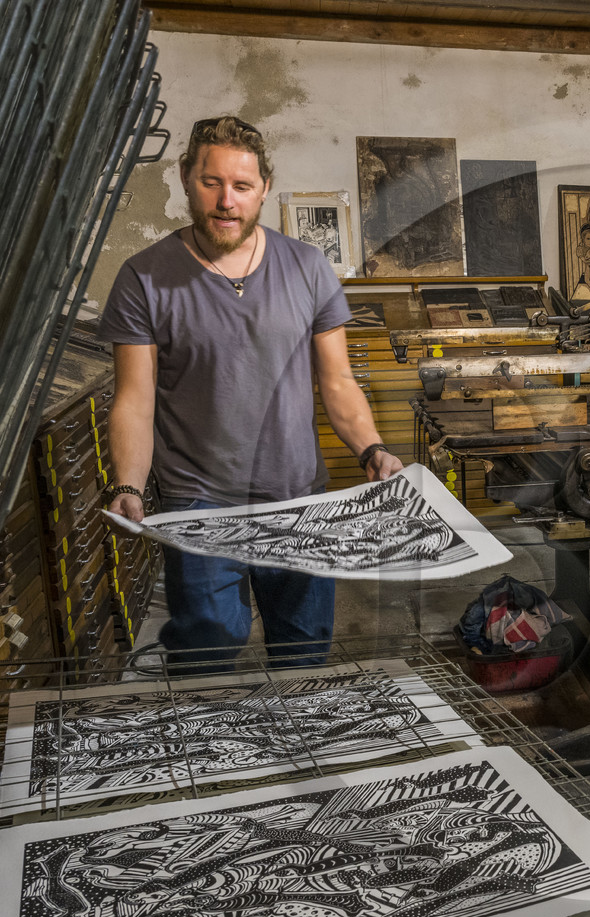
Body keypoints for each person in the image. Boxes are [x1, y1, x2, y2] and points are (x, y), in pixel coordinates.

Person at [98, 115, 403, 672]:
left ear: (264, 188)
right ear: (186, 177)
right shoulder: (144, 277)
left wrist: (372, 449)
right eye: (211, 182)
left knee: (304, 654)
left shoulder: (309, 268)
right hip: (200, 503)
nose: (225, 201)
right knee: (207, 653)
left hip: (298, 499)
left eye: (241, 186)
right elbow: (135, 401)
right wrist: (128, 482)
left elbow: (336, 380)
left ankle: (295, 756)